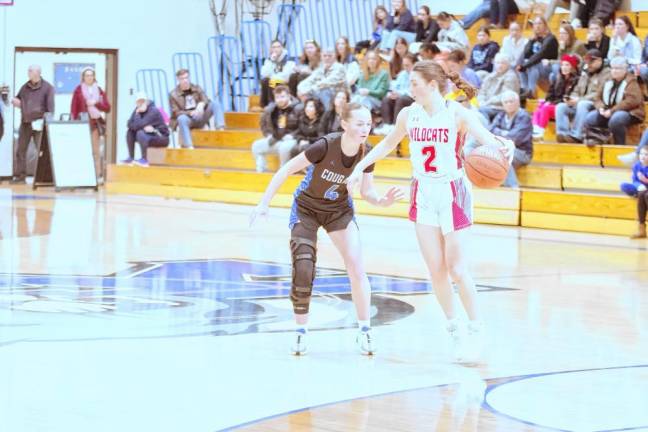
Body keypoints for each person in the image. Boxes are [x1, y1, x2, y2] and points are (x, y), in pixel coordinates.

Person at [347, 60, 515, 360]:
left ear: (433, 85)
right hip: (423, 192)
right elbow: (386, 144)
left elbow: (488, 141)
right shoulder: (408, 114)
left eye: (414, 83)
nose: (409, 88)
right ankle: (455, 331)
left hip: (453, 190)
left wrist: (505, 146)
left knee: (457, 268)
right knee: (435, 269)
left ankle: (477, 329)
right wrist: (360, 166)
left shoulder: (457, 113)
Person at [249, 102, 405, 356]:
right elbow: (287, 168)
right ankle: (300, 332)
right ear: (345, 124)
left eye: (368, 123)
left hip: (339, 211)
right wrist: (264, 203)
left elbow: (367, 193)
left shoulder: (368, 153)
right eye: (359, 123)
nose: (365, 128)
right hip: (306, 209)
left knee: (356, 264)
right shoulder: (324, 145)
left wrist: (383, 201)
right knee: (303, 265)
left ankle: (365, 329)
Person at [583, 57, 644, 146]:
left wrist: (612, 111)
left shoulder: (631, 81)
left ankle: (619, 145)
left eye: (617, 68)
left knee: (616, 119)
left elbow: (632, 100)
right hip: (608, 111)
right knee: (590, 118)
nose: (614, 71)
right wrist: (601, 108)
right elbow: (597, 98)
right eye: (613, 68)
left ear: (625, 70)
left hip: (631, 112)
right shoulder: (607, 80)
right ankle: (597, 141)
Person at [11, 64, 55, 184]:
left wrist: (46, 123)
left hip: (39, 124)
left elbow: (51, 109)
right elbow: (18, 99)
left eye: (32, 72)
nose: (30, 74)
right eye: (29, 72)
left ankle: (46, 177)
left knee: (42, 151)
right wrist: (16, 101)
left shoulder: (48, 88)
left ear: (38, 73)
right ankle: (20, 176)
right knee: (20, 150)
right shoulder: (25, 87)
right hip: (25, 123)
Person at [555, 48, 609, 143]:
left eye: (592, 61)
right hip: (580, 102)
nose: (589, 64)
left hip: (596, 105)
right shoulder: (585, 72)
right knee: (561, 106)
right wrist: (572, 98)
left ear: (600, 60)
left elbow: (599, 93)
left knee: (582, 104)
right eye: (587, 61)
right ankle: (563, 134)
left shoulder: (606, 73)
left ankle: (577, 136)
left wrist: (579, 100)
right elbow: (577, 89)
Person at [70, 66, 111, 179]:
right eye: (87, 75)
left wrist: (95, 103)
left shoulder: (99, 90)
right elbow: (74, 108)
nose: (89, 77)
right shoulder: (78, 90)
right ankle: (80, 174)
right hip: (82, 123)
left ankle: (97, 174)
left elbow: (107, 108)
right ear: (83, 77)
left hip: (95, 123)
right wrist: (73, 122)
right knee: (81, 150)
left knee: (95, 150)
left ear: (94, 77)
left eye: (91, 75)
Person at [488, 91, 533, 187]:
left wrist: (499, 133)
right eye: (506, 102)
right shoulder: (501, 115)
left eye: (511, 101)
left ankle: (513, 188)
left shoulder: (524, 116)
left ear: (518, 102)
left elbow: (515, 138)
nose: (508, 104)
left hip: (522, 153)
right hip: (503, 148)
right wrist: (505, 133)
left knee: (504, 154)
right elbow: (490, 131)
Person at [251, 85, 300, 172]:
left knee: (284, 148)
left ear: (289, 96)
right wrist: (268, 135)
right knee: (256, 146)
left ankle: (283, 172)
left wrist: (293, 136)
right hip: (276, 138)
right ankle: (262, 172)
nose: (280, 99)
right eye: (277, 97)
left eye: (282, 96)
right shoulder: (271, 110)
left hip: (293, 140)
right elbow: (263, 124)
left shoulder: (298, 108)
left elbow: (303, 127)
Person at [532, 54, 580, 139]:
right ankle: (535, 129)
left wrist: (552, 103)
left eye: (567, 65)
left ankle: (540, 132)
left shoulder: (577, 80)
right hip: (556, 104)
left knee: (546, 108)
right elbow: (550, 93)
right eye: (562, 65)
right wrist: (548, 101)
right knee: (540, 106)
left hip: (566, 106)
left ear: (573, 67)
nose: (564, 67)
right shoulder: (557, 78)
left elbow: (567, 97)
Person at [169, 69, 214, 149]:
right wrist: (190, 113)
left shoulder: (197, 88)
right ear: (178, 80)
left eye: (186, 78)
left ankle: (221, 129)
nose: (185, 80)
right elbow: (176, 112)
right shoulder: (173, 94)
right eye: (182, 79)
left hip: (200, 115)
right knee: (181, 118)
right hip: (188, 118)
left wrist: (201, 104)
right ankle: (189, 146)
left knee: (214, 104)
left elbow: (206, 99)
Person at [123, 92, 170, 167]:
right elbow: (129, 123)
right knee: (130, 132)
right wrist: (137, 116)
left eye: (143, 101)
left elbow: (139, 125)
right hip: (149, 136)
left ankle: (144, 160)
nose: (141, 103)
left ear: (147, 101)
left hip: (161, 137)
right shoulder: (137, 110)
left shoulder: (153, 110)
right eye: (139, 101)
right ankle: (131, 157)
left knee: (140, 132)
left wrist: (137, 115)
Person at [517, 16, 558, 99]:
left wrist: (524, 66)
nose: (537, 26)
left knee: (531, 65)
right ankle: (525, 89)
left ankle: (531, 91)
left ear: (545, 26)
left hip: (548, 67)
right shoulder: (535, 39)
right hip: (537, 67)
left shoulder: (550, 38)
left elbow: (540, 54)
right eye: (535, 24)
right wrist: (531, 41)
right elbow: (526, 53)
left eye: (540, 23)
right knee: (523, 63)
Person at [376, 53, 416, 136]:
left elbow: (413, 91)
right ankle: (387, 126)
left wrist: (399, 94)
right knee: (386, 99)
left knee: (401, 99)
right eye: (404, 65)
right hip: (400, 96)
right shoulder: (402, 74)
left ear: (414, 64)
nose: (405, 67)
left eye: (407, 65)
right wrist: (392, 93)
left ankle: (396, 126)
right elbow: (395, 87)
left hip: (413, 98)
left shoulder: (418, 75)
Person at [477, 53, 520, 121]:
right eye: (497, 63)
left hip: (501, 108)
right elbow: (482, 91)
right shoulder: (490, 76)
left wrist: (487, 102)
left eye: (503, 63)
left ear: (508, 64)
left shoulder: (511, 77)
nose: (499, 65)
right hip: (486, 105)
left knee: (481, 111)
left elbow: (505, 96)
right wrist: (481, 101)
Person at [620, 145, 648, 239]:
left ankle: (641, 229)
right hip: (641, 188)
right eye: (641, 154)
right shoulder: (636, 165)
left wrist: (645, 180)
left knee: (644, 195)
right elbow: (634, 180)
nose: (643, 156)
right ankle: (641, 229)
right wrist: (639, 185)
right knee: (624, 185)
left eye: (646, 154)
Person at [259, 40, 295, 107]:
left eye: (278, 47)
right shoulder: (269, 60)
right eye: (273, 47)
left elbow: (286, 76)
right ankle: (265, 105)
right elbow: (264, 74)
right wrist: (271, 61)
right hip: (272, 84)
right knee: (265, 80)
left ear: (282, 48)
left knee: (272, 82)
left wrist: (274, 78)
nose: (276, 49)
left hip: (284, 84)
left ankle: (273, 104)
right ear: (271, 49)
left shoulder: (289, 60)